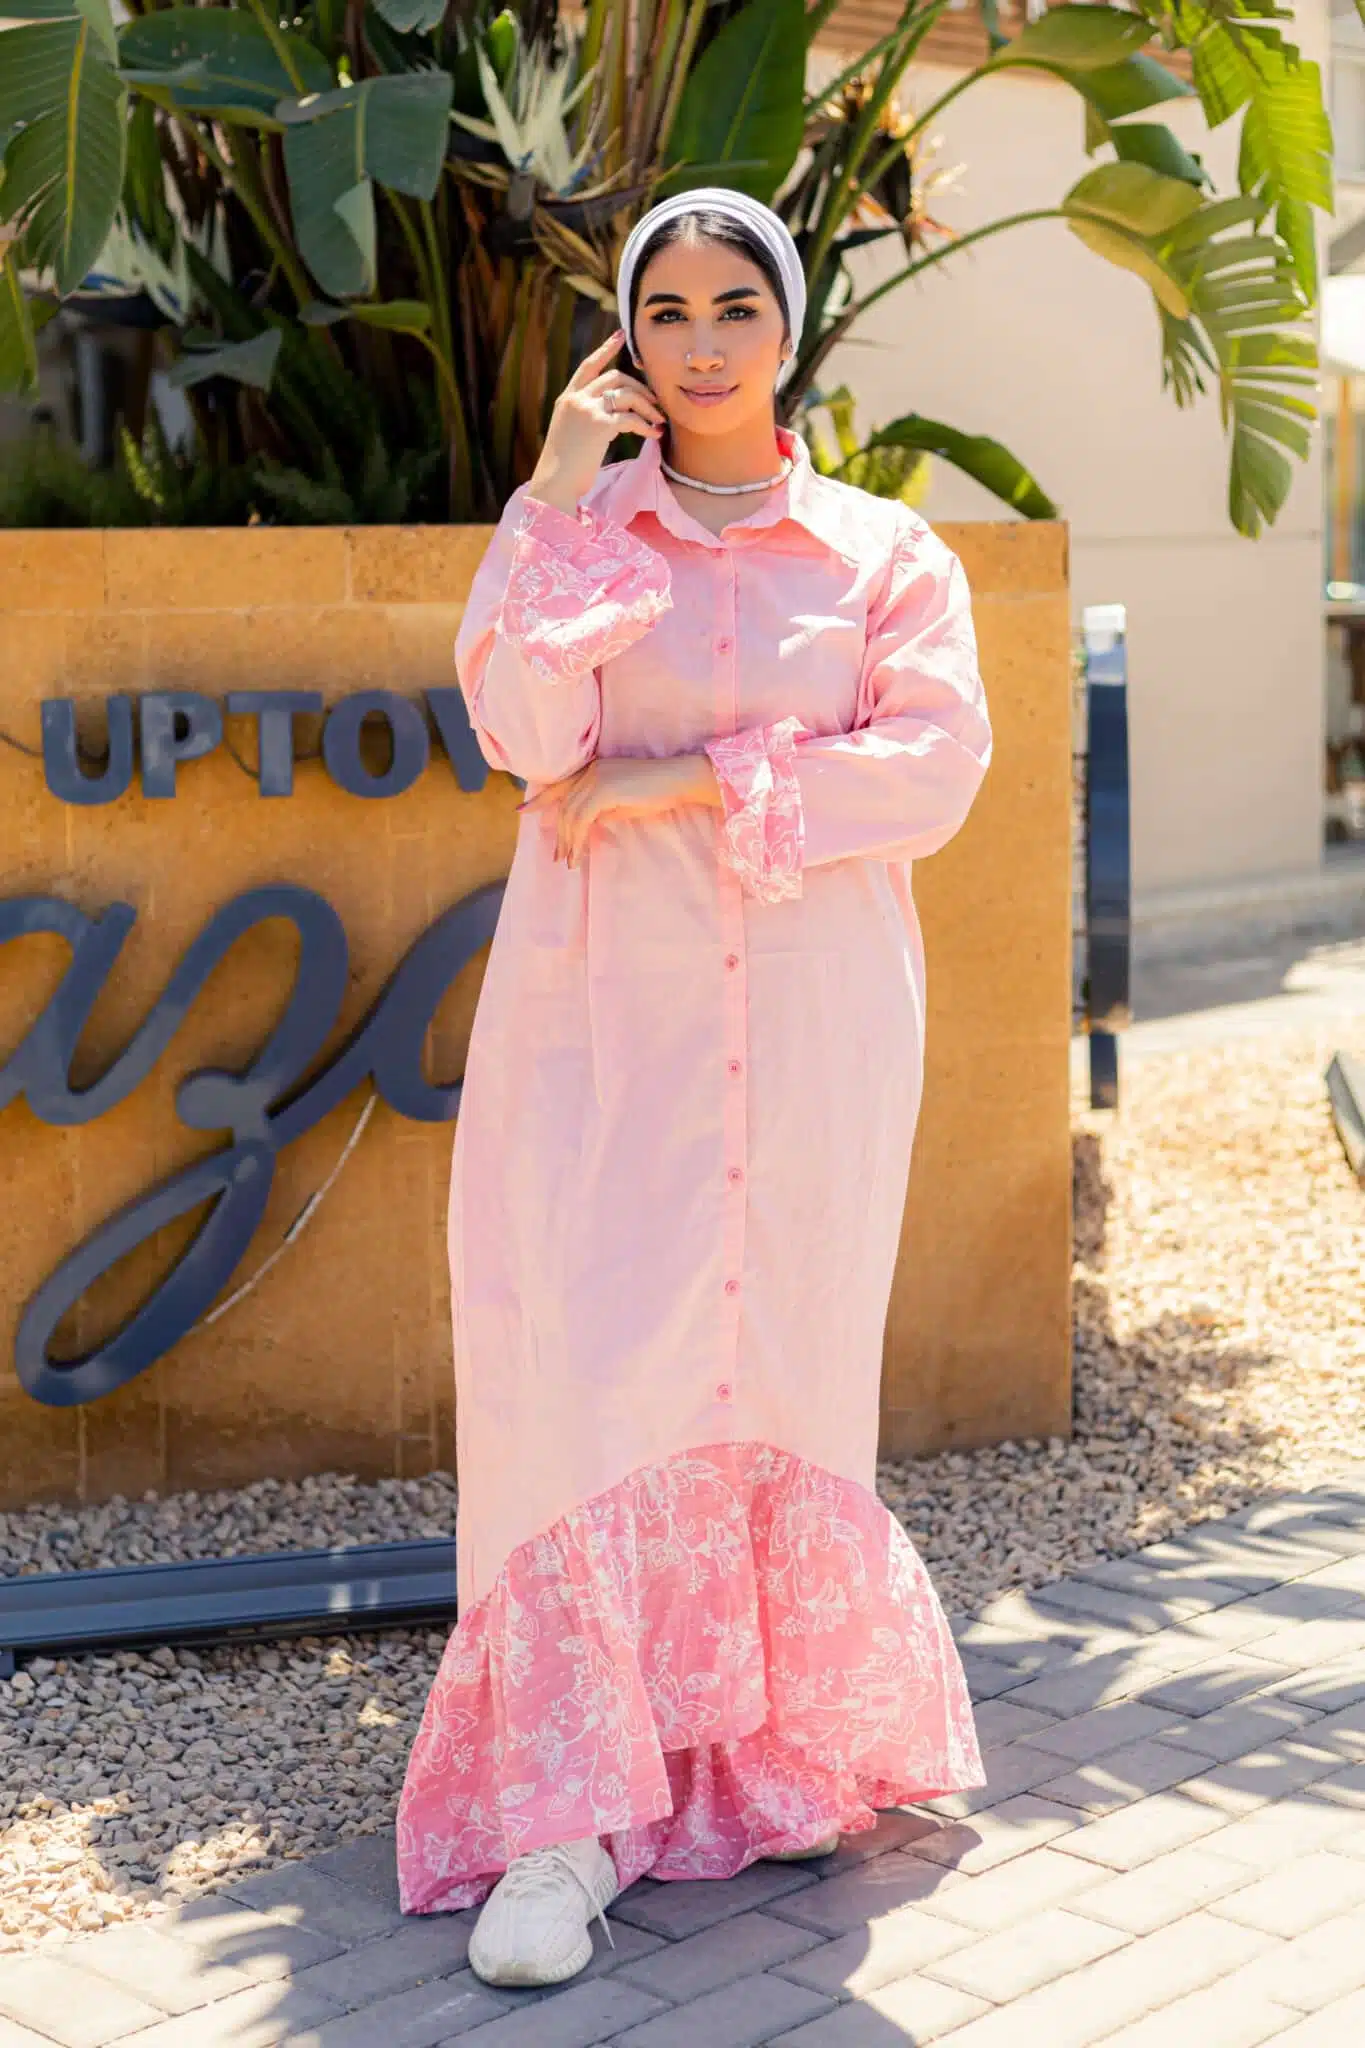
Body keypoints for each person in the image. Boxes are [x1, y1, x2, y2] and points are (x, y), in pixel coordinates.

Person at [395, 187, 991, 1989]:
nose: (706, 342)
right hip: (608, 1033)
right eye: (668, 312)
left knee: (783, 1365)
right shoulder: (577, 533)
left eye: (739, 306)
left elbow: (935, 767)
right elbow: (527, 734)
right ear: (627, 341)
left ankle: (760, 1755)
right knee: (582, 1383)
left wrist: (687, 782)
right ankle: (563, 1820)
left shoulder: (885, 554)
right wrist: (557, 492)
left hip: (814, 1035)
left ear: (788, 328)